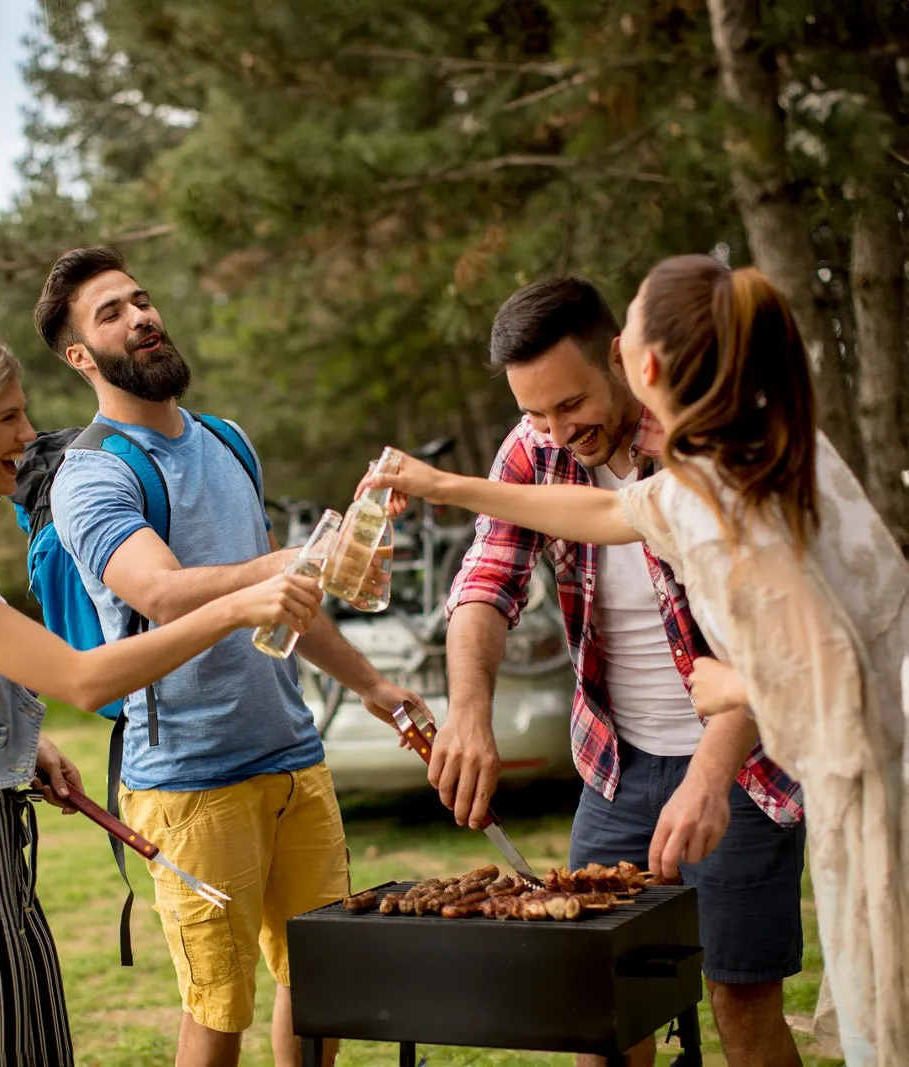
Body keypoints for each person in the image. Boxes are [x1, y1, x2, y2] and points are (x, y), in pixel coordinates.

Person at [365, 257, 909, 1067]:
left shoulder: (716, 462)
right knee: (601, 1009)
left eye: (570, 402)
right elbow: (562, 532)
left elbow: (819, 657)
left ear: (628, 358)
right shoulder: (594, 457)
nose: (553, 430)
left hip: (774, 764)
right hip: (619, 765)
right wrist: (443, 489)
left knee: (764, 1000)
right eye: (534, 413)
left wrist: (729, 706)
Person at [0, 335, 324, 1067]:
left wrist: (19, 746)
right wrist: (236, 603)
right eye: (8, 418)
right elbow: (81, 678)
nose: (29, 436)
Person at [34, 246, 422, 1067]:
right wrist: (283, 564)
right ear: (79, 356)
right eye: (110, 313)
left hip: (293, 756)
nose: (140, 316)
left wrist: (374, 685)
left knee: (322, 987)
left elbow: (287, 595)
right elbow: (165, 591)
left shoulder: (227, 439)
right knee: (217, 1012)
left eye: (140, 300)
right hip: (189, 781)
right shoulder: (90, 475)